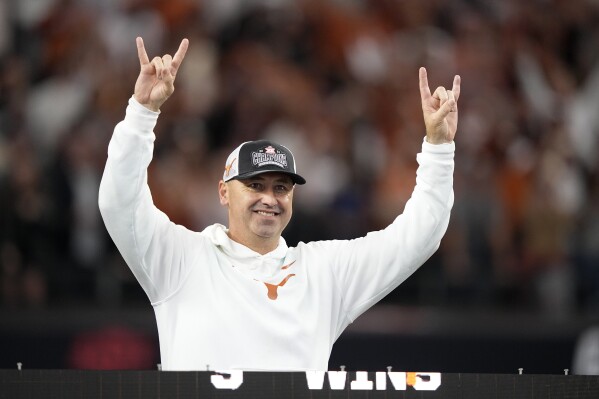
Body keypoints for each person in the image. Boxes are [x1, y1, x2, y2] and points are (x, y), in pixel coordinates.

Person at [98, 37, 461, 371]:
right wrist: (142, 113)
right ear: (224, 192)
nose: (269, 199)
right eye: (255, 185)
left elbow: (417, 237)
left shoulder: (323, 274)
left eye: (281, 187)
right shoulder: (181, 258)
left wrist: (439, 148)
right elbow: (120, 203)